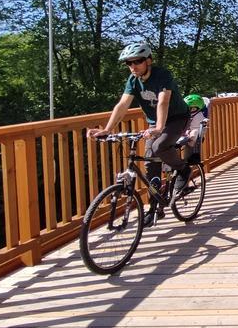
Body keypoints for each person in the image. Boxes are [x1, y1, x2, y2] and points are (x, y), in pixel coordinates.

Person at [87, 42, 191, 227]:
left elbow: (163, 102)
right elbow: (122, 105)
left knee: (160, 146)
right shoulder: (133, 80)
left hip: (176, 118)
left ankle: (183, 168)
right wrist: (107, 129)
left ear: (148, 61)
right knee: (150, 164)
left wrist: (159, 127)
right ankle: (154, 208)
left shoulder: (162, 75)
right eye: (129, 63)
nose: (133, 66)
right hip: (155, 123)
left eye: (138, 61)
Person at [181, 94, 208, 164]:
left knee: (193, 134)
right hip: (187, 131)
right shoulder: (187, 115)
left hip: (196, 132)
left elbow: (204, 121)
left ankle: (187, 157)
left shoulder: (200, 115)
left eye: (192, 108)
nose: (189, 110)